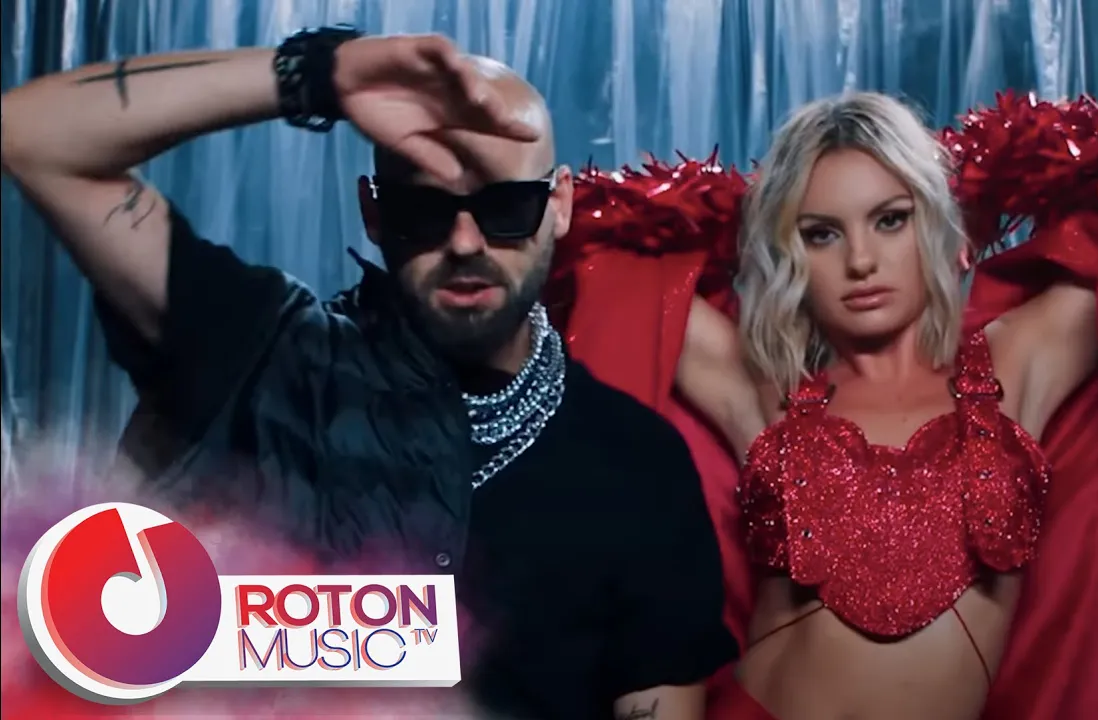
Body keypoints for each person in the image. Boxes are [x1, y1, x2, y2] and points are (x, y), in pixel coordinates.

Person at [0, 28, 738, 720]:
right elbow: (31, 134)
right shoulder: (264, 359)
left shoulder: (636, 463)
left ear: (561, 205)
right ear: (374, 212)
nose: (465, 241)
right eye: (424, 209)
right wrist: (320, 74)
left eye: (506, 206)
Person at [553, 93, 1098, 719]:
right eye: (821, 233)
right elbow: (593, 240)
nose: (861, 261)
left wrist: (997, 164)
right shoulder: (765, 388)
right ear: (787, 253)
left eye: (891, 219)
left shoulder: (1018, 363)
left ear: (935, 220)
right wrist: (738, 212)